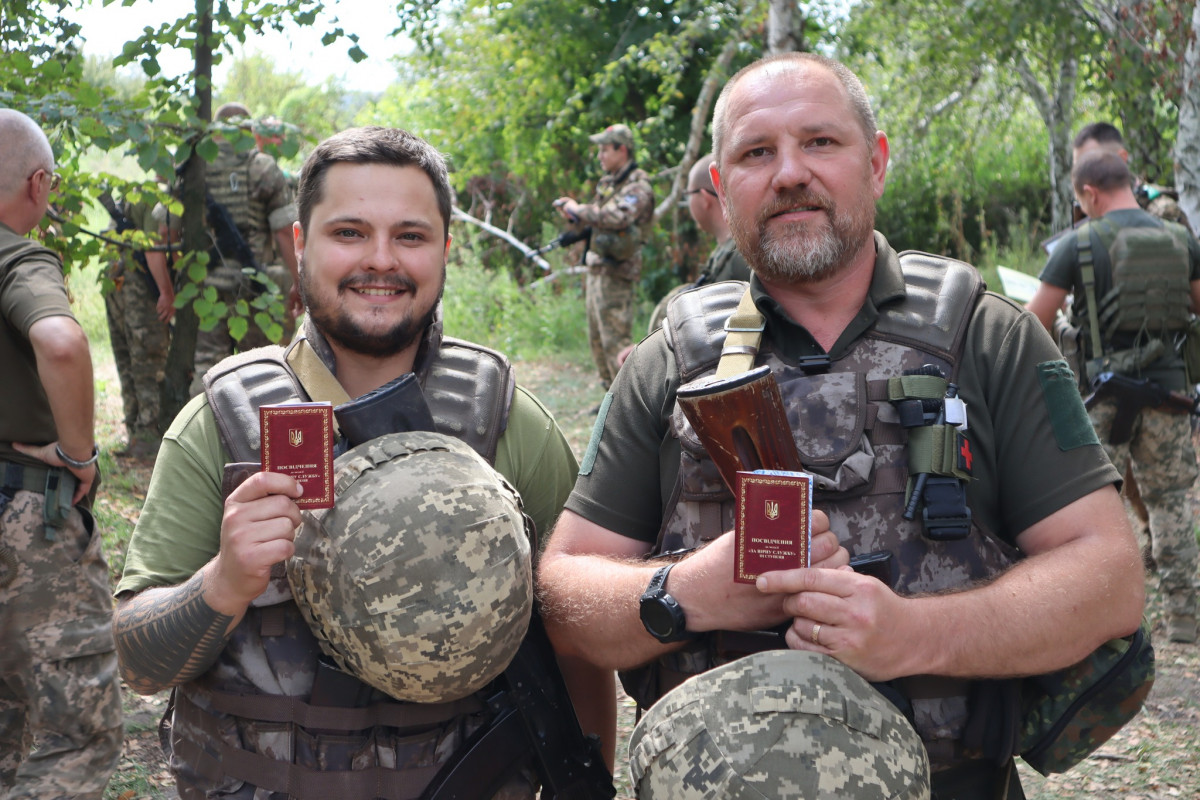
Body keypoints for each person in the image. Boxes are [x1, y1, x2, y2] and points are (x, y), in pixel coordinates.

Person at [536, 52, 1145, 798]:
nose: (791, 172)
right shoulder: (669, 364)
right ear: (723, 192)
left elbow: (1109, 577)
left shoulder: (991, 339)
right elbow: (564, 597)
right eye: (758, 153)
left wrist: (914, 635)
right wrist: (686, 590)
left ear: (877, 163)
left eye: (821, 142)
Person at [112, 126, 614, 798]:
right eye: (348, 233)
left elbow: (577, 647)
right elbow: (139, 666)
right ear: (299, 245)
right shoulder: (223, 425)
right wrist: (223, 583)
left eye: (410, 235)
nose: (381, 260)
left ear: (444, 248)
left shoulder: (506, 424)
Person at [1027, 149, 1200, 644]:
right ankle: (1184, 616)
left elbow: (1033, 320)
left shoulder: (1079, 242)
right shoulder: (1180, 238)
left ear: (1089, 193)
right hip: (1171, 393)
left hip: (1105, 395)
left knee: (1098, 506)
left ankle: (1107, 617)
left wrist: (1066, 333)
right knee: (1169, 501)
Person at [0, 108, 123, 798]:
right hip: (27, 516)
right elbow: (62, 341)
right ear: (40, 184)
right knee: (76, 736)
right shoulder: (17, 256)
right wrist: (80, 454)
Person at [187, 101, 300, 395]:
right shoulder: (261, 167)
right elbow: (285, 233)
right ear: (249, 131)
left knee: (207, 372)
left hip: (207, 287)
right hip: (256, 286)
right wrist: (300, 282)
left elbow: (171, 229)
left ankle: (204, 435)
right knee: (265, 374)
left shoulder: (196, 169)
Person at [554, 123, 654, 387]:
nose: (600, 156)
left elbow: (619, 216)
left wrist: (581, 208)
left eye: (605, 150)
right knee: (597, 340)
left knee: (617, 344)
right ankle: (608, 399)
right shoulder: (609, 183)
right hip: (597, 269)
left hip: (617, 274)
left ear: (623, 150)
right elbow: (595, 220)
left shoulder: (639, 186)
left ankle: (628, 402)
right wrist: (573, 216)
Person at [102, 186, 175, 457]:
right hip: (139, 289)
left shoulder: (131, 193)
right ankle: (147, 436)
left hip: (114, 282)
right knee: (148, 359)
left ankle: (134, 430)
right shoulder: (157, 198)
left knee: (127, 360)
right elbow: (153, 250)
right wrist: (167, 293)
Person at [1073, 122, 1192, 232]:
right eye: (1079, 166)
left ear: (1122, 158)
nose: (1083, 172)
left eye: (1091, 162)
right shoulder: (1084, 209)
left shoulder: (1162, 210)